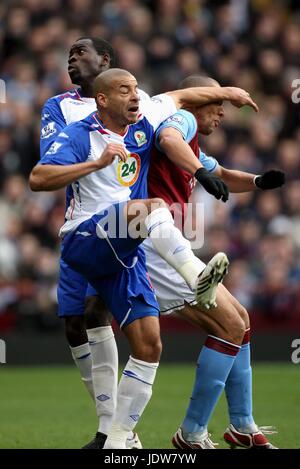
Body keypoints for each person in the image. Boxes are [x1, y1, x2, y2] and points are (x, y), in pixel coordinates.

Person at [30, 68, 258, 448]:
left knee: (149, 345)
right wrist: (96, 163)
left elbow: (179, 97)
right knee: (150, 208)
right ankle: (195, 277)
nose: (136, 96)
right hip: (87, 235)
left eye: (137, 89)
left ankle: (119, 442)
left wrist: (231, 90)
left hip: (126, 249)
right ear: (102, 99)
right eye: (125, 90)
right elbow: (38, 178)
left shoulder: (145, 119)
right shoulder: (81, 133)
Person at [144, 74, 284, 449]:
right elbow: (169, 140)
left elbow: (221, 174)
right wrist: (200, 173)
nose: (221, 114)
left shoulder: (191, 141)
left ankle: (242, 424)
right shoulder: (183, 120)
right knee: (228, 326)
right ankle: (191, 433)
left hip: (166, 243)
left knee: (240, 321)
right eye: (216, 104)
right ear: (197, 99)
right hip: (154, 245)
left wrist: (256, 183)